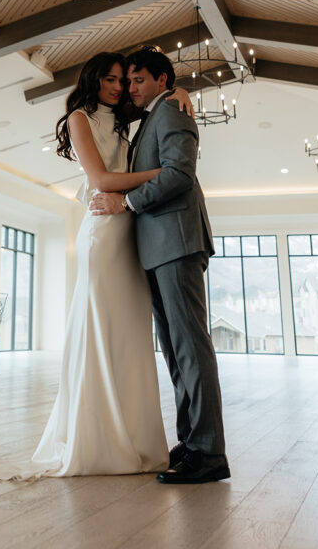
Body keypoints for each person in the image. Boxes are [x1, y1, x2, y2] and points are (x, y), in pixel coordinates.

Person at [0, 51, 192, 481]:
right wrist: (162, 174)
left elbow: (158, 100)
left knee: (130, 337)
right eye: (110, 79)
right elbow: (101, 181)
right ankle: (98, 441)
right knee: (100, 330)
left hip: (130, 232)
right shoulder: (79, 119)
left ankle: (137, 441)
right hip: (103, 231)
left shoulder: (125, 117)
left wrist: (181, 91)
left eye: (123, 81)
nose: (119, 87)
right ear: (93, 80)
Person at [91, 46, 230, 484]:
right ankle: (190, 442)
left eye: (138, 80)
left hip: (177, 242)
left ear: (162, 81)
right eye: (127, 81)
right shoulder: (150, 115)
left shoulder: (170, 109)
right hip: (157, 248)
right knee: (175, 350)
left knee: (190, 346)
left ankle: (209, 454)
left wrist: (126, 202)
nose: (130, 88)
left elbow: (179, 174)